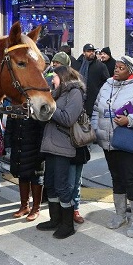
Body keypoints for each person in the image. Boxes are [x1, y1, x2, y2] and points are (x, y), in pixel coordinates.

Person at [92, 56, 133, 238]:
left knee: (131, 180)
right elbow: (97, 109)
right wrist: (96, 129)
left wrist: (131, 120)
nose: (116, 70)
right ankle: (120, 215)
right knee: (116, 179)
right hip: (107, 142)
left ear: (130, 71)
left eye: (121, 68)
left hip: (129, 143)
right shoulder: (107, 85)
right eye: (116, 67)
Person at [36, 65, 85, 239]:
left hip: (63, 147)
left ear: (63, 77)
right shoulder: (56, 93)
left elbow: (68, 118)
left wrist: (50, 107)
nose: (52, 80)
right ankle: (55, 219)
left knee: (62, 186)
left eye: (54, 76)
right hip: (50, 145)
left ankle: (67, 224)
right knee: (50, 184)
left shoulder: (75, 93)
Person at [4, 111, 45, 221]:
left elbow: (42, 131)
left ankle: (36, 208)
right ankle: (24, 206)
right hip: (19, 147)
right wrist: (7, 144)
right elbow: (9, 128)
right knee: (22, 175)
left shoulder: (38, 106)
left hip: (35, 148)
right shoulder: (16, 106)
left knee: (36, 177)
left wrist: (42, 151)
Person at [78, 43, 110, 117]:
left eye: (93, 51)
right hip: (80, 99)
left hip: (94, 101)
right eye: (89, 51)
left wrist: (98, 91)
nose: (91, 53)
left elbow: (107, 82)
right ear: (84, 52)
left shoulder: (101, 66)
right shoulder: (78, 64)